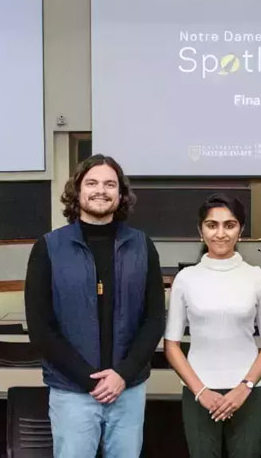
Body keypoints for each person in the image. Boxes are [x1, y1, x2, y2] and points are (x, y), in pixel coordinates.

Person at [25, 154, 165, 458]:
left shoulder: (142, 246)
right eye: (92, 183)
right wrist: (90, 380)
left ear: (121, 194)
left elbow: (154, 319)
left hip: (127, 391)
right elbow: (40, 328)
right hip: (71, 392)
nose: (100, 190)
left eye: (109, 184)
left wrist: (122, 375)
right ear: (77, 190)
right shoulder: (48, 248)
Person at [164, 193, 261, 458]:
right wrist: (201, 391)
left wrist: (244, 388)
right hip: (199, 394)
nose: (220, 233)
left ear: (240, 230)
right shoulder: (186, 279)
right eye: (211, 224)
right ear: (200, 230)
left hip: (249, 394)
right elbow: (171, 346)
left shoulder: (256, 278)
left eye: (229, 225)